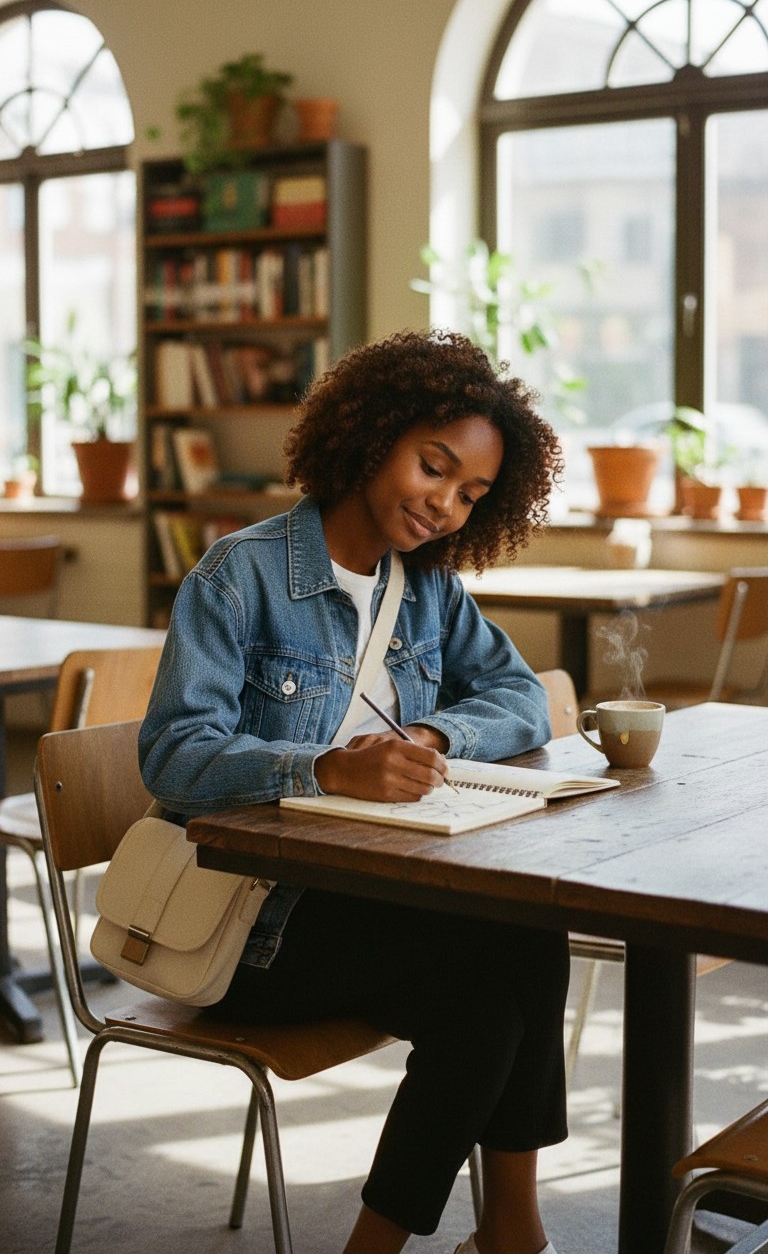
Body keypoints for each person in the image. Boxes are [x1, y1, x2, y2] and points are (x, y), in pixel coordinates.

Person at [139, 329, 569, 1254]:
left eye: (472, 494)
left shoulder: (429, 591)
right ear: (372, 434)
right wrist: (322, 770)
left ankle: (511, 1229)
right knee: (480, 1007)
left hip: (372, 890)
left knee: (530, 930)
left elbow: (522, 697)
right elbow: (174, 756)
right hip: (251, 923)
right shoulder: (240, 576)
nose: (445, 505)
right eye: (434, 466)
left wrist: (434, 733)